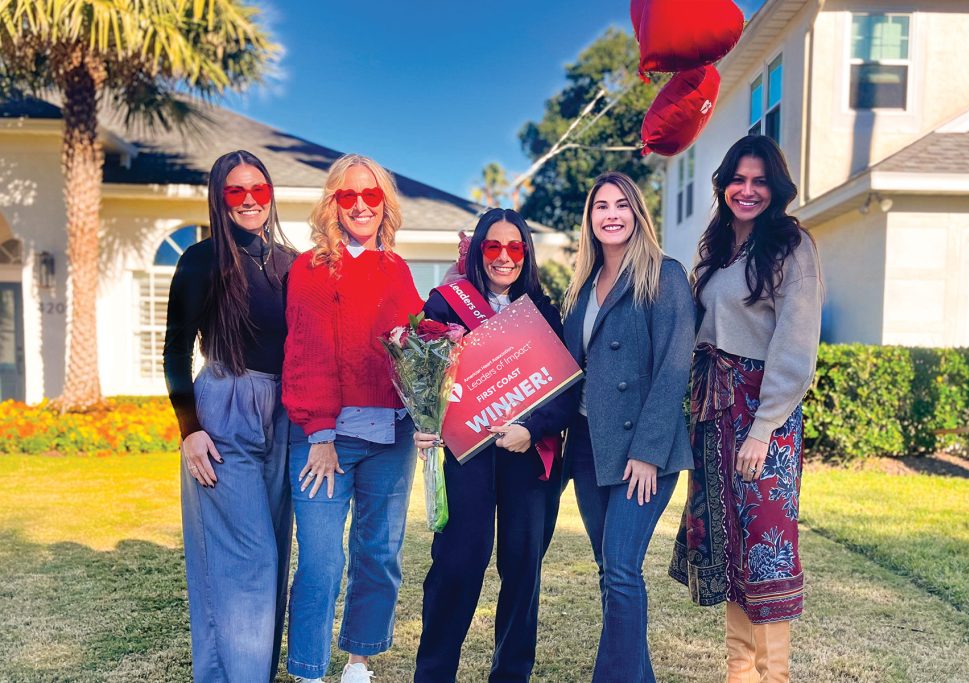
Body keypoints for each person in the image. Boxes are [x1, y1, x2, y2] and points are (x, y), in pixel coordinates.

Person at [669, 135, 823, 682]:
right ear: (724, 185)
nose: (748, 190)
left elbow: (796, 343)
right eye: (739, 179)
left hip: (763, 415)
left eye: (760, 181)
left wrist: (763, 427)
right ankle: (739, 673)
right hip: (714, 409)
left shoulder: (790, 245)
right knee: (729, 540)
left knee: (767, 543)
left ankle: (773, 676)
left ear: (775, 188)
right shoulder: (715, 248)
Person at [412, 208, 576, 683]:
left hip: (527, 455)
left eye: (515, 248)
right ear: (478, 250)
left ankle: (511, 674)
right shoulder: (445, 305)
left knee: (523, 569)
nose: (504, 257)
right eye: (493, 247)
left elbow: (567, 390)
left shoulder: (544, 311)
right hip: (468, 458)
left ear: (525, 254)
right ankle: (435, 673)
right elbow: (423, 379)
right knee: (458, 565)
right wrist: (423, 421)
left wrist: (533, 428)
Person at [282, 153, 423, 683]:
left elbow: (415, 350)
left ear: (383, 203)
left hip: (390, 438)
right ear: (333, 205)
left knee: (379, 553)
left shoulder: (397, 269)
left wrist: (428, 406)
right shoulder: (311, 269)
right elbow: (305, 354)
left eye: (371, 196)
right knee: (320, 561)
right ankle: (309, 670)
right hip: (326, 441)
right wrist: (318, 433)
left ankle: (358, 662)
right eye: (349, 196)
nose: (361, 205)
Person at [164, 150, 295, 682]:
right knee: (250, 559)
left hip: (284, 414)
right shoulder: (201, 259)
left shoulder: (290, 262)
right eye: (235, 192)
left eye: (257, 190)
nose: (248, 201)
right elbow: (175, 351)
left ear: (270, 195)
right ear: (220, 199)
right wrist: (190, 430)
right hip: (224, 409)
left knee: (275, 558)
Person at [561, 171, 696, 682]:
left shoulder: (665, 275)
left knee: (621, 570)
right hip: (591, 450)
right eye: (601, 206)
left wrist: (648, 452)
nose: (611, 214)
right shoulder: (580, 287)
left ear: (637, 214)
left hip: (644, 454)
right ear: (590, 219)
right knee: (610, 574)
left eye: (621, 205)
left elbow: (674, 368)